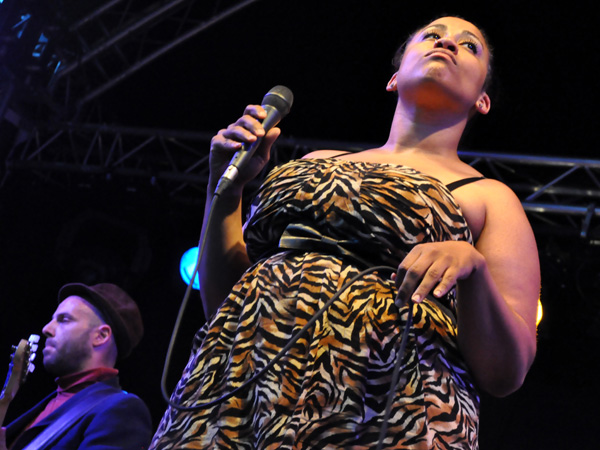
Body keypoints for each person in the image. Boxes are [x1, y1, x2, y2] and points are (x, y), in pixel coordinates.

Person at [150, 16, 540, 450]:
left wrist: (473, 269)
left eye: (469, 46)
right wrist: (223, 189)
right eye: (432, 35)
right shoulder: (317, 160)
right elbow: (226, 302)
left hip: (385, 407)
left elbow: (506, 372)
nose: (446, 43)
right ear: (394, 78)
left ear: (482, 100)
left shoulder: (488, 197)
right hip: (242, 385)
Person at [1, 282, 152, 450]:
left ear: (101, 336)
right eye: (52, 319)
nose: (46, 329)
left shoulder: (122, 410)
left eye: (64, 320)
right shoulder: (52, 401)